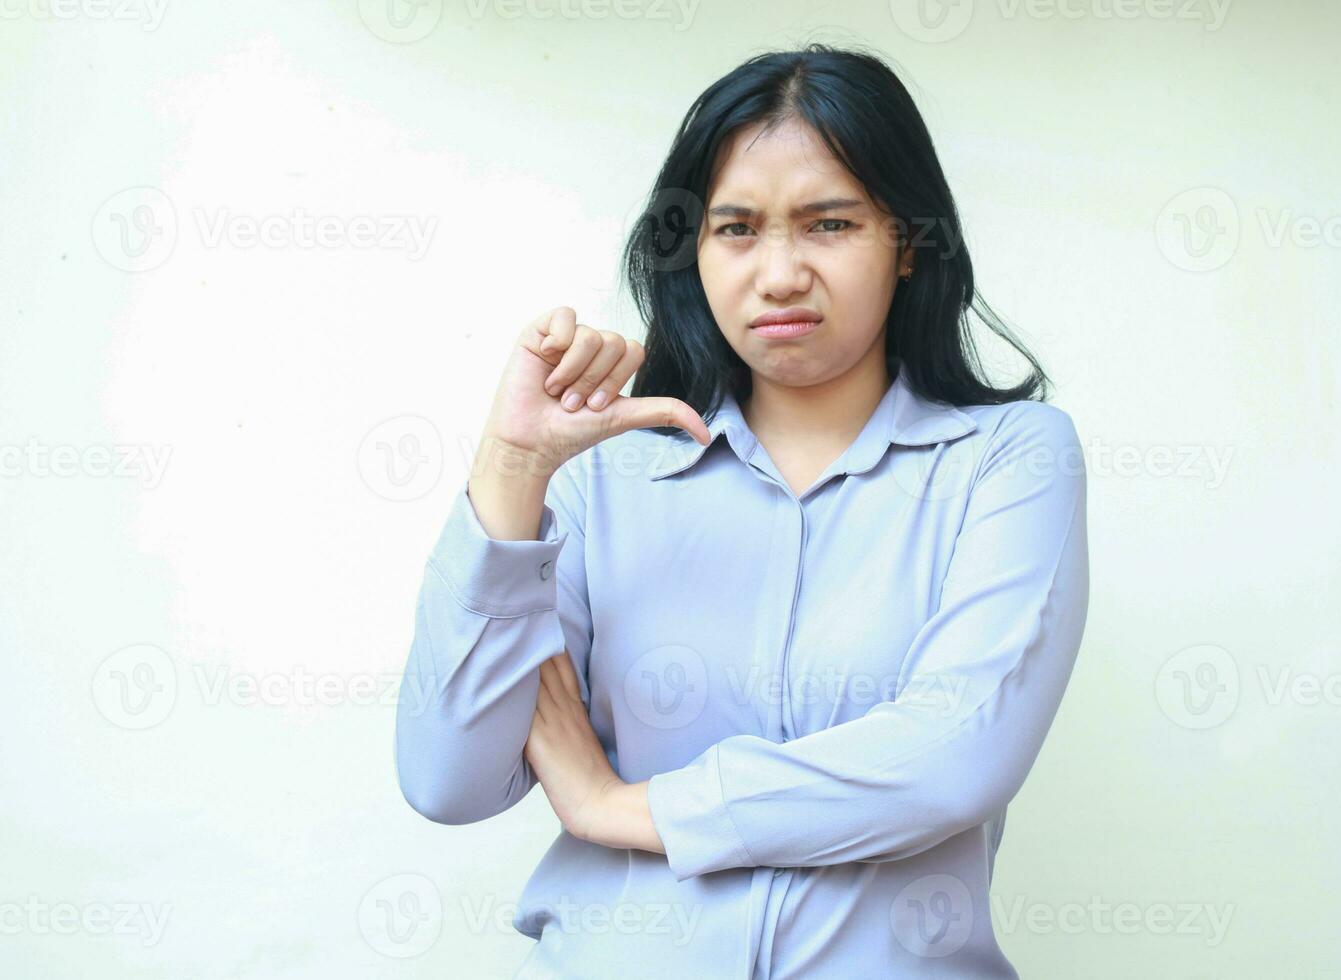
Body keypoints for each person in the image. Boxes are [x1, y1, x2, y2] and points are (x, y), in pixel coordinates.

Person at [394, 42, 1090, 979]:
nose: (780, 273)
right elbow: (448, 781)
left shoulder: (1008, 461)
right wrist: (514, 468)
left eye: (829, 223)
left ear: (911, 246)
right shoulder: (602, 481)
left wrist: (621, 809)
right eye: (736, 229)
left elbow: (950, 756)